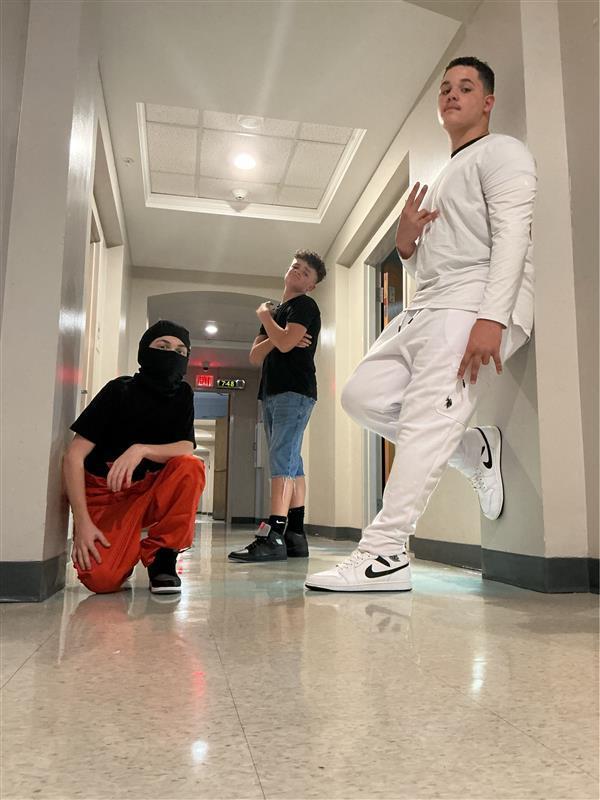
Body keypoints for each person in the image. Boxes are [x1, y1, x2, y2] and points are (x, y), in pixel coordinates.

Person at [305, 56, 536, 592]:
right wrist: (406, 244)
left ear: (488, 102)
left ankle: (384, 554)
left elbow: (513, 240)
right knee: (361, 396)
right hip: (426, 307)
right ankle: (472, 448)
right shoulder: (438, 178)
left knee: (428, 418)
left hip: (472, 305)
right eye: (446, 88)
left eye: (466, 87)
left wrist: (492, 318)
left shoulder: (504, 154)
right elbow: (432, 260)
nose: (453, 95)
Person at [63, 320, 205, 594]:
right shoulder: (119, 391)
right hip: (106, 495)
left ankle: (162, 558)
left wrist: (141, 449)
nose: (171, 355)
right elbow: (73, 457)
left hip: (149, 489)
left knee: (190, 467)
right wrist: (81, 523)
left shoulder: (183, 394)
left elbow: (186, 446)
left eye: (180, 351)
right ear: (145, 351)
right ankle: (124, 548)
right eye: (162, 346)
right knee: (101, 580)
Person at [229, 250, 326, 563]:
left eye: (307, 272)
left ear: (311, 285)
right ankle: (295, 537)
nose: (299, 271)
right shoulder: (281, 312)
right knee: (291, 461)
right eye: (296, 266)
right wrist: (278, 333)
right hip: (271, 392)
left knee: (281, 459)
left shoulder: (304, 305)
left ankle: (274, 534)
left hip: (294, 392)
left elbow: (284, 344)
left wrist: (264, 318)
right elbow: (256, 356)